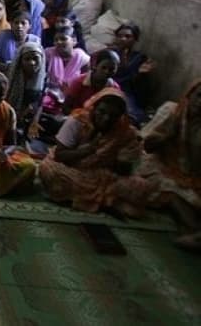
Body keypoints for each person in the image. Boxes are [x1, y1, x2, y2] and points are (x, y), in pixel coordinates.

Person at [39, 89, 155, 217]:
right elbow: (60, 156)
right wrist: (88, 150)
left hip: (103, 174)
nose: (106, 119)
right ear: (93, 108)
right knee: (48, 170)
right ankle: (107, 201)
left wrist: (127, 154)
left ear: (120, 117)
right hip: (71, 169)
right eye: (102, 112)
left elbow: (123, 171)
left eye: (113, 116)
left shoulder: (125, 133)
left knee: (142, 187)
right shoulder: (78, 120)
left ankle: (101, 200)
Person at [138, 80, 201, 251]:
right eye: (199, 96)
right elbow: (147, 146)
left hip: (189, 175)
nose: (200, 102)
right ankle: (194, 232)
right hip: (162, 164)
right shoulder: (173, 112)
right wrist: (167, 136)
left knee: (188, 194)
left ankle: (189, 233)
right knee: (170, 189)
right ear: (190, 96)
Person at [111, 23, 154, 125]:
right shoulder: (109, 53)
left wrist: (140, 74)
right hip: (109, 87)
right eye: (120, 36)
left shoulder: (139, 58)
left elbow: (139, 86)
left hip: (127, 93)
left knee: (133, 116)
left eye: (128, 36)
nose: (123, 39)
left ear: (135, 39)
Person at [5, 42, 46, 139]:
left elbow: (40, 103)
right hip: (9, 116)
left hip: (30, 117)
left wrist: (35, 121)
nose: (32, 63)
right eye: (27, 59)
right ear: (20, 61)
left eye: (35, 59)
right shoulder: (9, 75)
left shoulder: (44, 78)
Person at [63, 49, 121, 114]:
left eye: (112, 69)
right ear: (95, 65)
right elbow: (66, 107)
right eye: (103, 67)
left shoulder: (114, 89)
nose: (107, 72)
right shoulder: (79, 82)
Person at [44, 25, 90, 93]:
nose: (58, 42)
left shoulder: (82, 58)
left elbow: (85, 83)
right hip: (48, 94)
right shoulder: (48, 54)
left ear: (74, 41)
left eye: (63, 39)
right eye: (56, 40)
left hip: (73, 95)